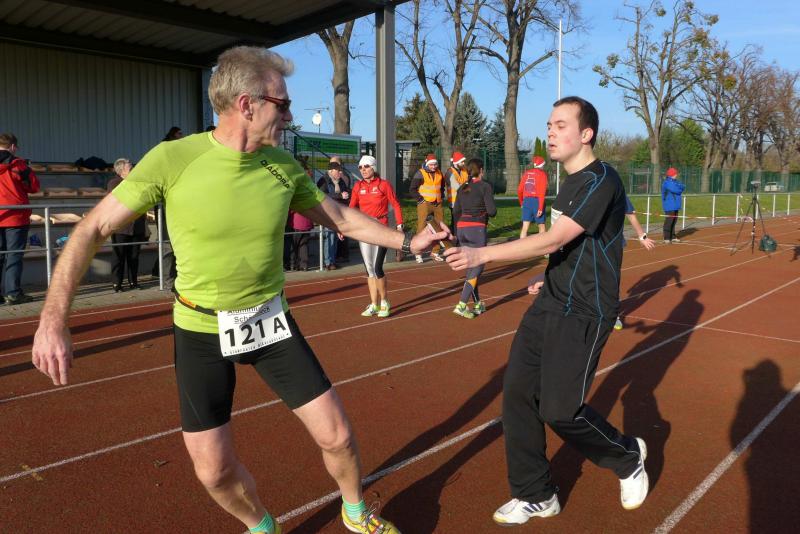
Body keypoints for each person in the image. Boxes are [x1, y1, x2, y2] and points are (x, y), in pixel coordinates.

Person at [31, 46, 449, 534]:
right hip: (199, 329)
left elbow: (339, 218)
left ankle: (355, 511)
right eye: (283, 104)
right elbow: (93, 228)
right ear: (247, 104)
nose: (289, 115)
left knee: (337, 435)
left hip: (269, 322)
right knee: (213, 471)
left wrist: (408, 241)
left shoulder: (282, 166)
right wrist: (52, 320)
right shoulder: (173, 159)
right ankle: (261, 525)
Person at [445, 96, 649, 526]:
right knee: (518, 395)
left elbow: (555, 238)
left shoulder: (601, 180)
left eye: (560, 125)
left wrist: (483, 253)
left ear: (586, 134)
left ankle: (627, 456)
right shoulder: (569, 182)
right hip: (551, 301)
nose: (550, 132)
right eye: (549, 125)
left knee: (560, 410)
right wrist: (548, 273)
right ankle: (535, 494)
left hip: (587, 309)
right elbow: (571, 247)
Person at [348, 155, 404, 318]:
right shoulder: (357, 186)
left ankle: (384, 301)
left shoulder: (383, 184)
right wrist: (344, 227)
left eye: (366, 166)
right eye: (360, 167)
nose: (363, 170)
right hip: (364, 229)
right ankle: (374, 304)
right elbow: (351, 207)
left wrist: (399, 225)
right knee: (369, 269)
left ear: (373, 167)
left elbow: (395, 204)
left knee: (378, 267)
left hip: (381, 228)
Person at [451, 158, 496, 319]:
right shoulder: (485, 186)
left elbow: (456, 211)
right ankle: (462, 304)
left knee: (471, 267)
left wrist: (456, 232)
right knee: (478, 265)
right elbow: (492, 211)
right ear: (481, 170)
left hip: (462, 228)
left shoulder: (462, 187)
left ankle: (477, 303)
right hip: (476, 229)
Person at [0, 132, 40, 305]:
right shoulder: (18, 164)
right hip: (15, 216)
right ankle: (13, 293)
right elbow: (34, 187)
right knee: (14, 255)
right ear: (12, 146)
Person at [106, 158, 150, 291]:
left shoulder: (137, 182)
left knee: (134, 256)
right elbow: (121, 198)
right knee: (119, 256)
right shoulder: (114, 183)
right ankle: (117, 284)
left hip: (137, 226)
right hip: (121, 227)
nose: (134, 170)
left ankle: (133, 282)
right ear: (121, 171)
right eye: (130, 168)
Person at [613, 196, 656, 330]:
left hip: (614, 244)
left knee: (612, 280)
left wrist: (642, 236)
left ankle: (614, 315)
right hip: (592, 244)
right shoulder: (589, 190)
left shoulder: (618, 192)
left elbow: (631, 215)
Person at [410, 153, 447, 263]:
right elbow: (412, 189)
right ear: (427, 164)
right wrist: (420, 199)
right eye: (431, 164)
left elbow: (442, 187)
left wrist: (441, 196)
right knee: (421, 227)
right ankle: (418, 253)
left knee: (439, 227)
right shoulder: (420, 173)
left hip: (438, 203)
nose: (434, 166)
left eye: (435, 164)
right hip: (425, 203)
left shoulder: (440, 173)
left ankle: (435, 252)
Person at [316, 161, 351, 270]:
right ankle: (328, 262)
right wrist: (340, 195)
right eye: (338, 170)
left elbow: (346, 191)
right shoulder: (323, 180)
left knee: (335, 237)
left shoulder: (341, 181)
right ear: (331, 171)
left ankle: (333, 261)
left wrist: (347, 194)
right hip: (327, 212)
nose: (340, 172)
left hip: (338, 212)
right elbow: (322, 195)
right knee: (329, 236)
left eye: (341, 170)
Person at [518, 155, 548, 239]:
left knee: (525, 227)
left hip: (526, 201)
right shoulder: (542, 174)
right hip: (537, 202)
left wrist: (521, 203)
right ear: (541, 165)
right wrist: (540, 208)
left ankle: (521, 246)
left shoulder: (527, 173)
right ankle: (542, 246)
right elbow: (542, 193)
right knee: (541, 226)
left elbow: (519, 190)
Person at [446, 151, 469, 233]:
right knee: (456, 221)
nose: (463, 163)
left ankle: (461, 235)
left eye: (463, 161)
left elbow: (469, 182)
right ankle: (456, 236)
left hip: (464, 200)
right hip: (454, 202)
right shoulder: (450, 172)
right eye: (461, 162)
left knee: (463, 220)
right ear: (456, 162)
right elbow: (457, 187)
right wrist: (467, 186)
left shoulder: (465, 170)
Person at [661, 167, 684, 243]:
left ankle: (673, 236)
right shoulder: (667, 182)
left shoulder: (675, 181)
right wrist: (679, 188)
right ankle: (666, 238)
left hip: (676, 204)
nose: (676, 175)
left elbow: (683, 186)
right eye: (675, 174)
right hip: (669, 205)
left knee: (674, 221)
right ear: (672, 174)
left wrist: (680, 188)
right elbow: (677, 190)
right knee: (669, 221)